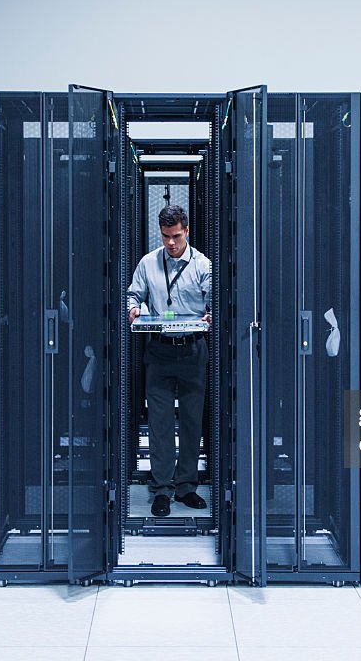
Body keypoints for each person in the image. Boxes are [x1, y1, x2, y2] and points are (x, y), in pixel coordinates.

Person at [127, 205, 212, 517]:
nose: (171, 243)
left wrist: (211, 314)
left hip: (192, 350)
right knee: (160, 423)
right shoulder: (149, 263)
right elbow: (133, 296)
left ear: (186, 231)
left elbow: (214, 299)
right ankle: (162, 488)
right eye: (165, 237)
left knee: (191, 420)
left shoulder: (203, 265)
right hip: (160, 350)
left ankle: (186, 486)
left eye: (176, 236)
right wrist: (134, 308)